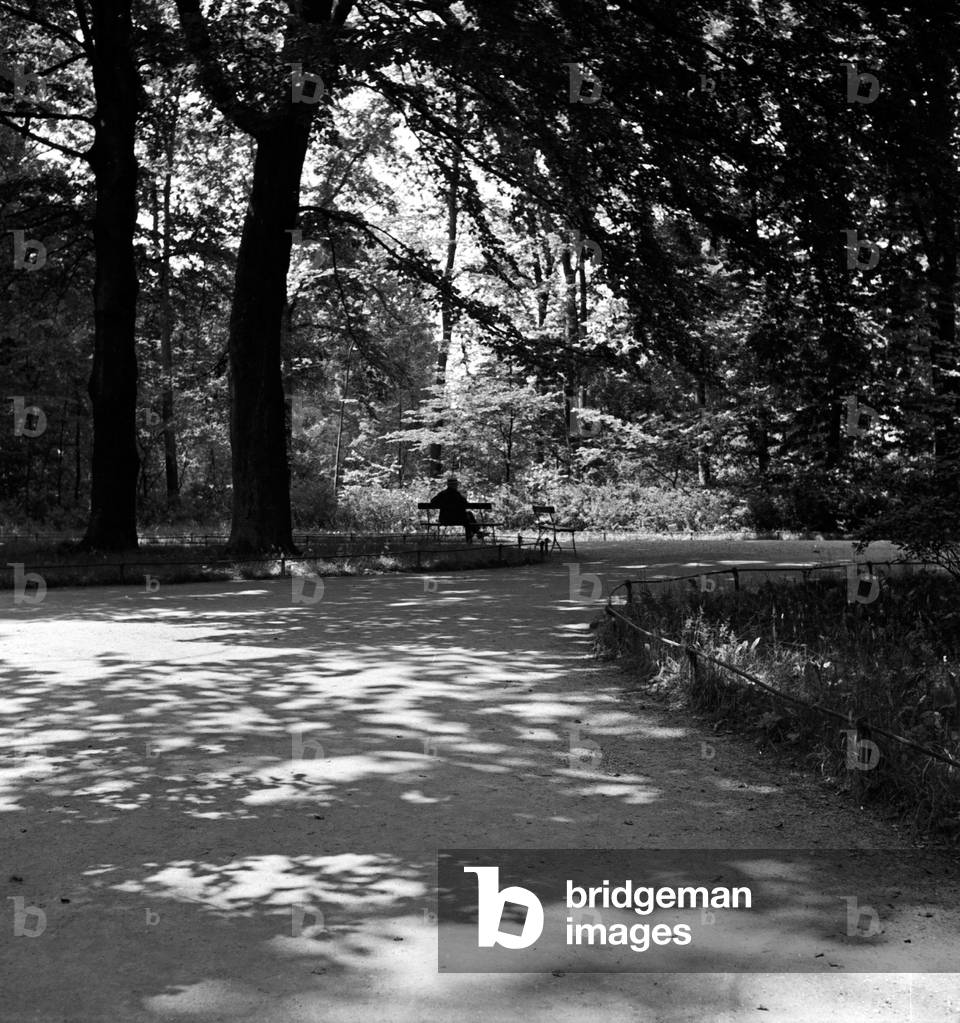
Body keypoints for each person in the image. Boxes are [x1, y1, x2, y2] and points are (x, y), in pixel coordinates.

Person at [429, 478, 482, 542]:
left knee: (468, 515)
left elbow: (432, 502)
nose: (457, 486)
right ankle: (475, 533)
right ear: (455, 485)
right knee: (468, 517)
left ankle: (476, 532)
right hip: (459, 519)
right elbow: (466, 504)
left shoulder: (442, 494)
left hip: (444, 519)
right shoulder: (457, 495)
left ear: (448, 485)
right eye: (456, 484)